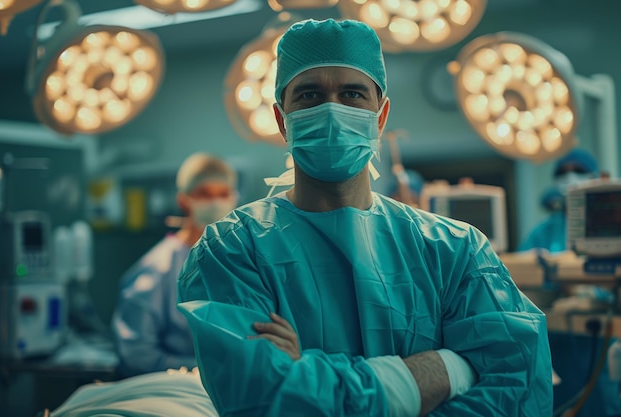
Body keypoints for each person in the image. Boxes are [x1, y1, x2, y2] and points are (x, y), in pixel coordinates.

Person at [177, 19, 552, 416]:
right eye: (309, 95)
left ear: (381, 114)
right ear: (281, 119)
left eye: (352, 93)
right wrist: (446, 368)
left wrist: (306, 371)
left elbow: (519, 390)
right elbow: (263, 399)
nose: (332, 109)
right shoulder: (233, 251)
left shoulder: (455, 251)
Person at [112, 153, 237, 377]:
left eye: (223, 193)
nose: (215, 202)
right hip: (175, 387)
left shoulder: (236, 259)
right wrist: (204, 370)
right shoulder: (158, 268)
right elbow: (137, 356)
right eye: (204, 194)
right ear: (184, 200)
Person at [520, 148, 598, 253]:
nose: (570, 177)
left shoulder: (607, 224)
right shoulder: (543, 232)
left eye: (578, 170)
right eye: (562, 172)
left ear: (593, 178)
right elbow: (519, 264)